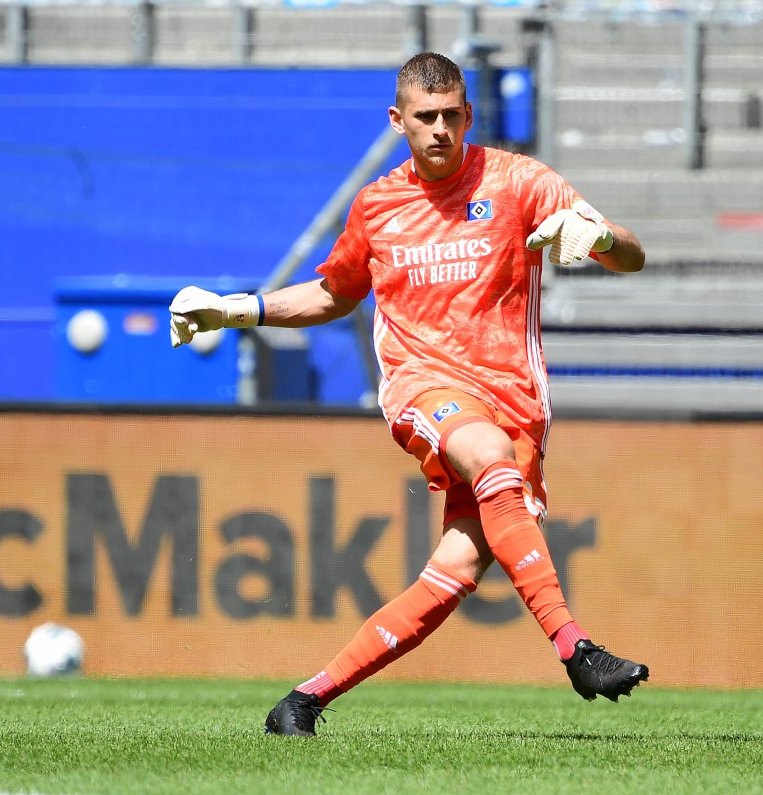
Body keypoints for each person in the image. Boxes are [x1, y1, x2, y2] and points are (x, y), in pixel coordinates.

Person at [168, 52, 649, 737]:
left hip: (517, 405)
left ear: (469, 116)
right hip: (425, 390)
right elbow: (334, 292)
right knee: (484, 452)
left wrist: (599, 235)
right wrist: (236, 309)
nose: (440, 129)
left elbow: (632, 254)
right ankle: (575, 647)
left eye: (452, 115)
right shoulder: (378, 205)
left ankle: (302, 701)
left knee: (452, 569)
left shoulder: (519, 182)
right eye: (426, 117)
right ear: (399, 121)